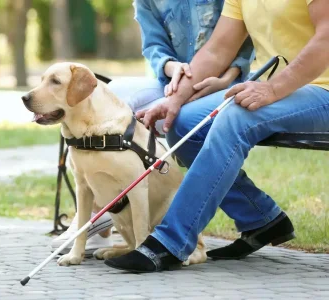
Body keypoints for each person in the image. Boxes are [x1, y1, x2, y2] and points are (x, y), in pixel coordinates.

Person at [104, 0, 329, 272]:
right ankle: (260, 219)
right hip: (277, 90)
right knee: (184, 122)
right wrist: (175, 99)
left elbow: (325, 40)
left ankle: (170, 241)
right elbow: (217, 50)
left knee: (237, 116)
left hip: (321, 90)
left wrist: (271, 90)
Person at [50, 0, 254, 255]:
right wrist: (174, 67)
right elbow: (154, 46)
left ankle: (115, 208)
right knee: (112, 97)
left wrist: (225, 78)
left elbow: (244, 37)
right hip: (170, 80)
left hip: (222, 81)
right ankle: (101, 209)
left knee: (180, 118)